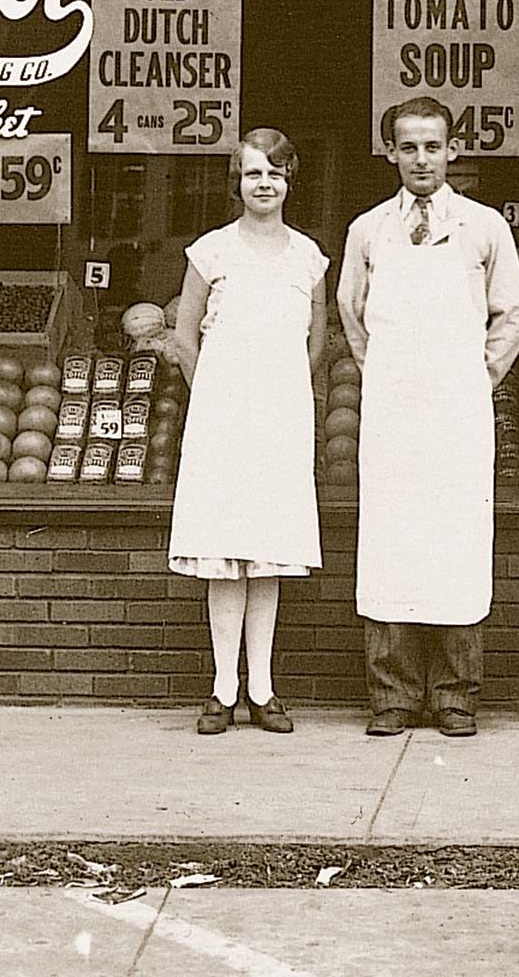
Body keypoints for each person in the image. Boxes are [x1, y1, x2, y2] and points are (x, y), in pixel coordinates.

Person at [337, 94, 519, 737]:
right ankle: (392, 693)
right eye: (408, 146)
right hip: (394, 408)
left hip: (458, 408)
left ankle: (454, 693)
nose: (421, 159)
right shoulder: (368, 230)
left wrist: (478, 374)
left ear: (453, 150)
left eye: (433, 145)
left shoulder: (483, 228)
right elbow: (352, 313)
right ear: (389, 152)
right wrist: (385, 373)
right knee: (391, 543)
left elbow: (513, 312)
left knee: (456, 544)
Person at [165, 128, 328, 736]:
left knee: (268, 554)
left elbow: (315, 340)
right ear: (237, 183)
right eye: (254, 173)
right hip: (222, 417)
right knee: (223, 555)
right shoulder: (211, 252)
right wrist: (218, 394)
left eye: (276, 174)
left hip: (280, 417)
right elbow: (184, 337)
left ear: (290, 182)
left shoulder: (308, 258)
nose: (265, 184)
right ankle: (222, 688)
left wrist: (278, 392)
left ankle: (262, 688)